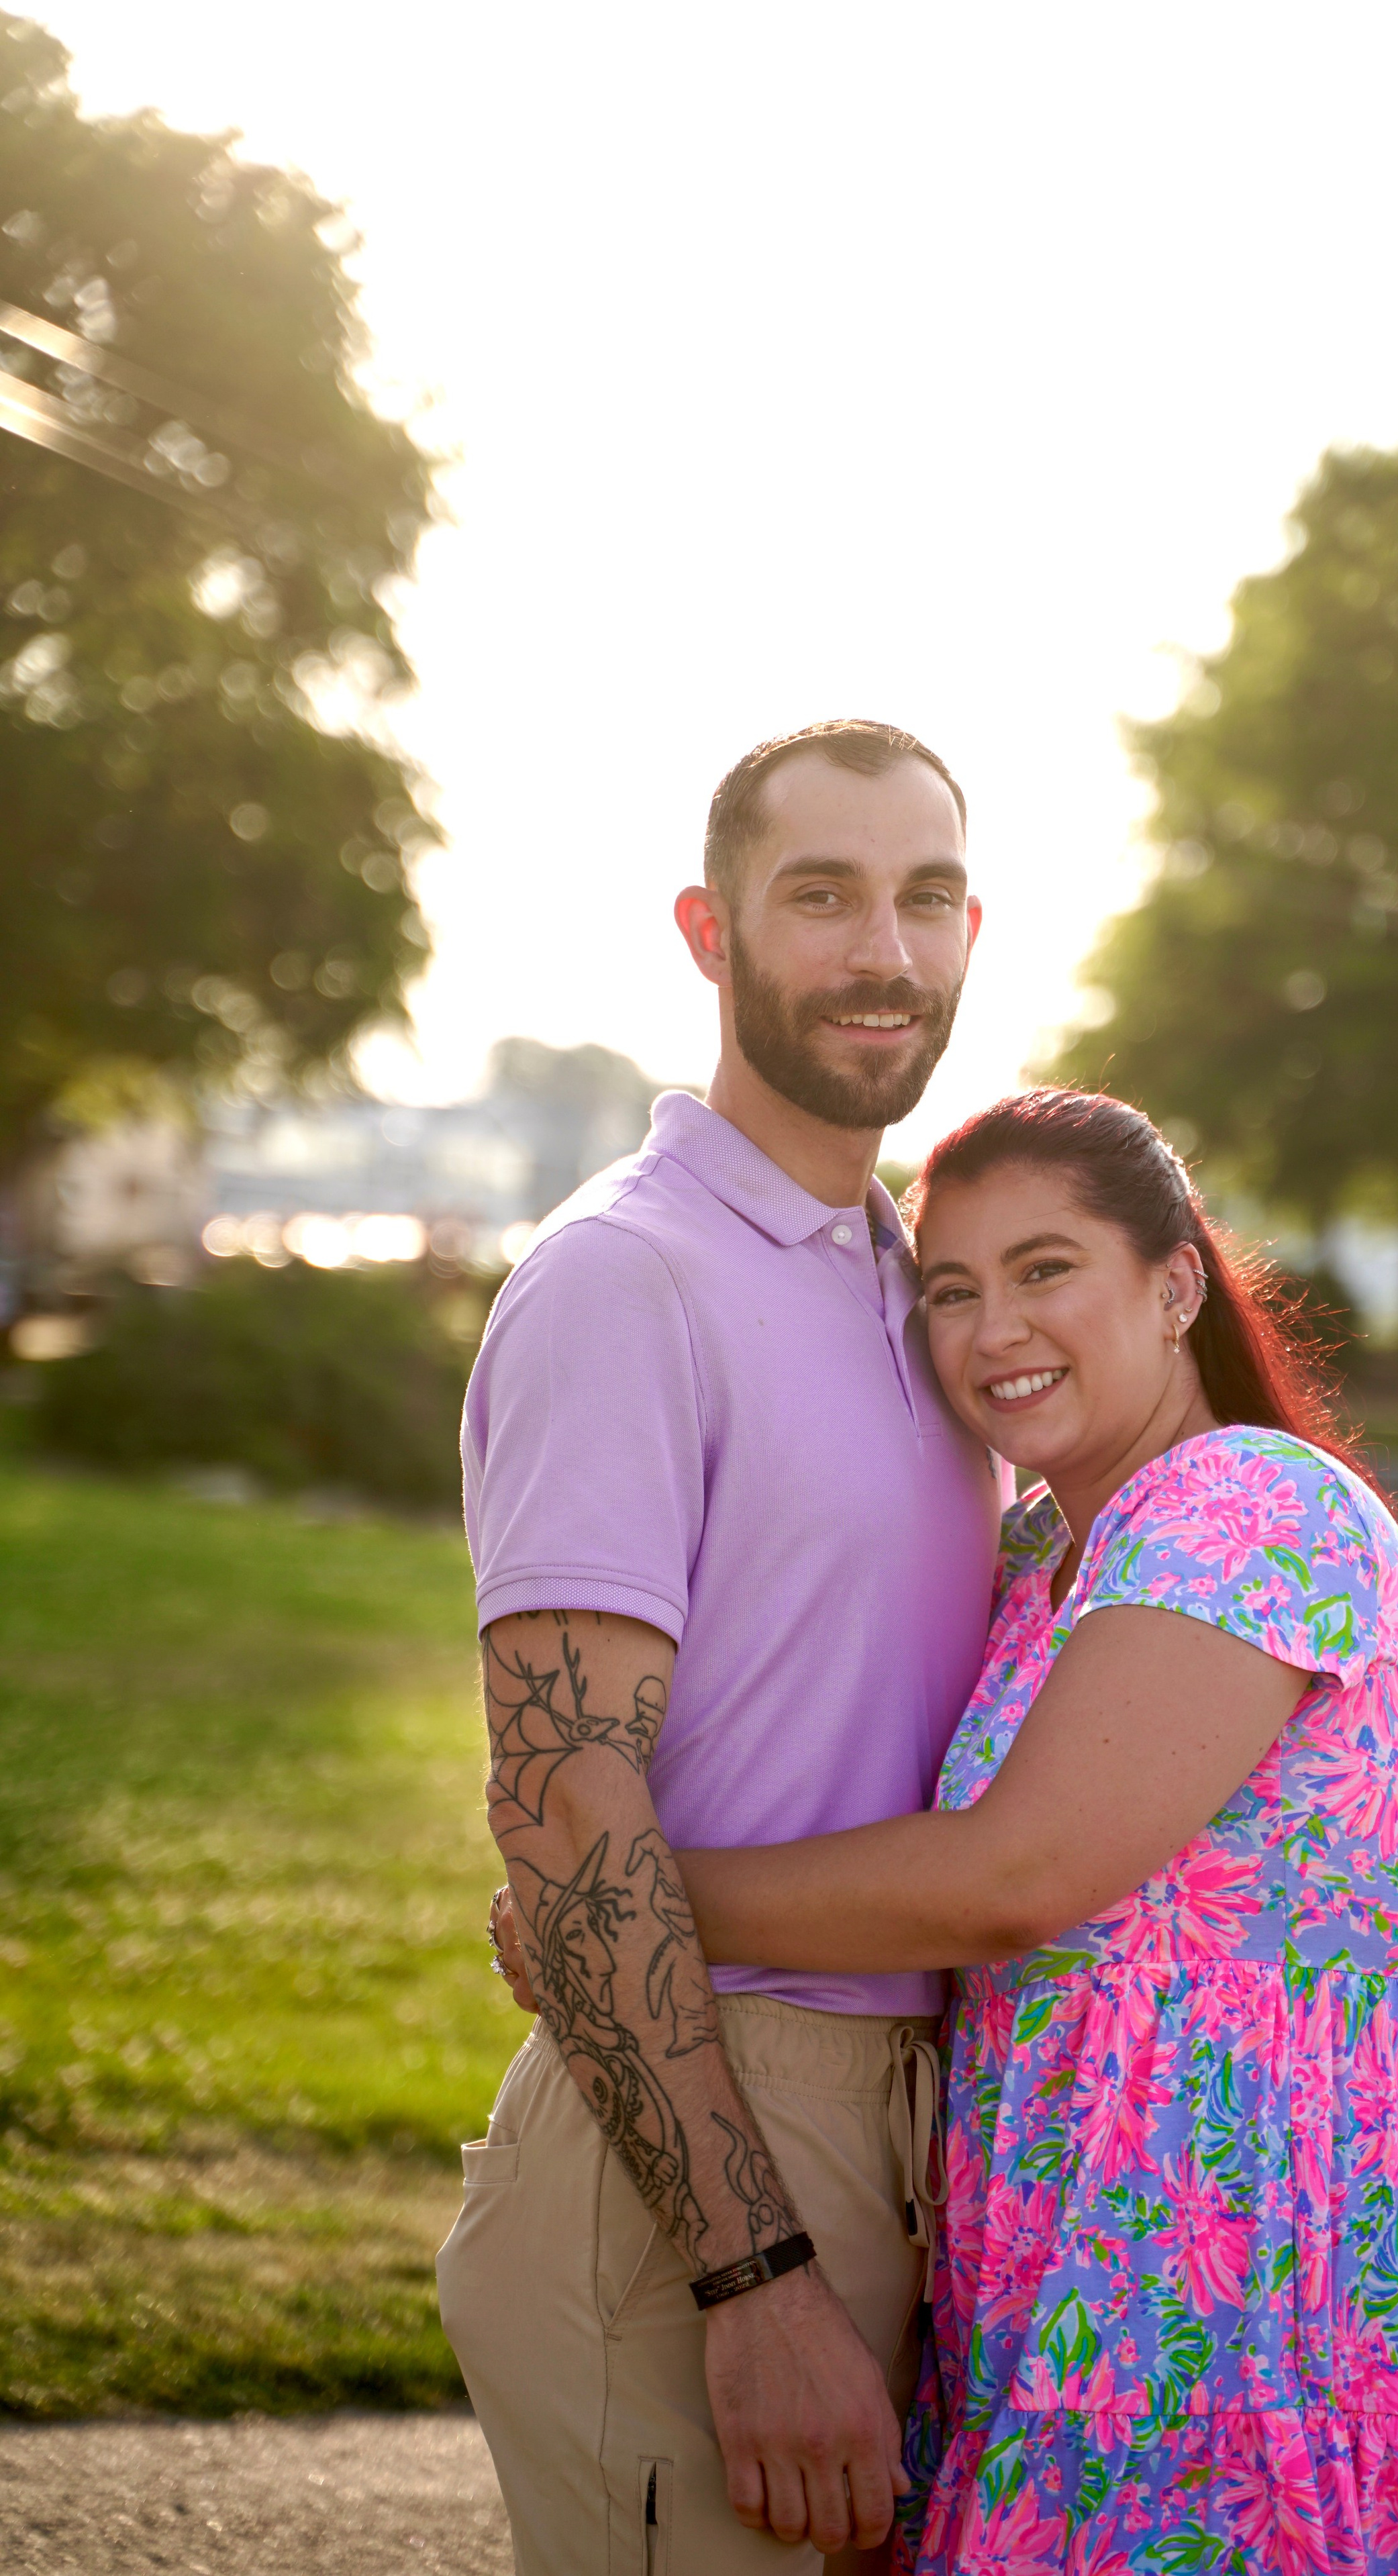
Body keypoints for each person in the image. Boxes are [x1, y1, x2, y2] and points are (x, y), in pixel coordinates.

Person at [672, 1087, 1398, 2576]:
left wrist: (631, 1904)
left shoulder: (1244, 1502)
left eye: (1045, 1269)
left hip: (1273, 2268)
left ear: (1174, 1284)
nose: (993, 1330)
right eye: (951, 1288)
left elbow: (1012, 1876)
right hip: (1095, 2254)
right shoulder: (1057, 1547)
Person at [436, 718, 1002, 2576]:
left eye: (923, 897)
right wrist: (753, 2272)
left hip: (921, 2125)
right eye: (819, 894)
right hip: (712, 2147)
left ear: (973, 931)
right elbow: (564, 1784)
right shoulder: (630, 1275)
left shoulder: (905, 1273)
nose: (881, 951)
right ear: (711, 930)